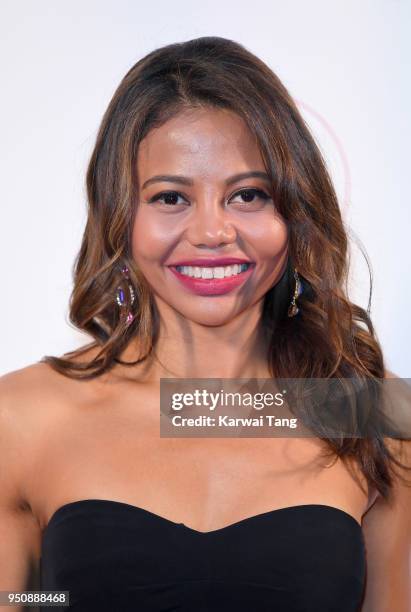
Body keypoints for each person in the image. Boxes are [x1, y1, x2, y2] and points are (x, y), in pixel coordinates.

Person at [0, 35, 410, 612]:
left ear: (295, 213)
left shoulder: (375, 416)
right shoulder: (22, 418)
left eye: (248, 194)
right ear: (121, 217)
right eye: (171, 198)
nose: (212, 233)